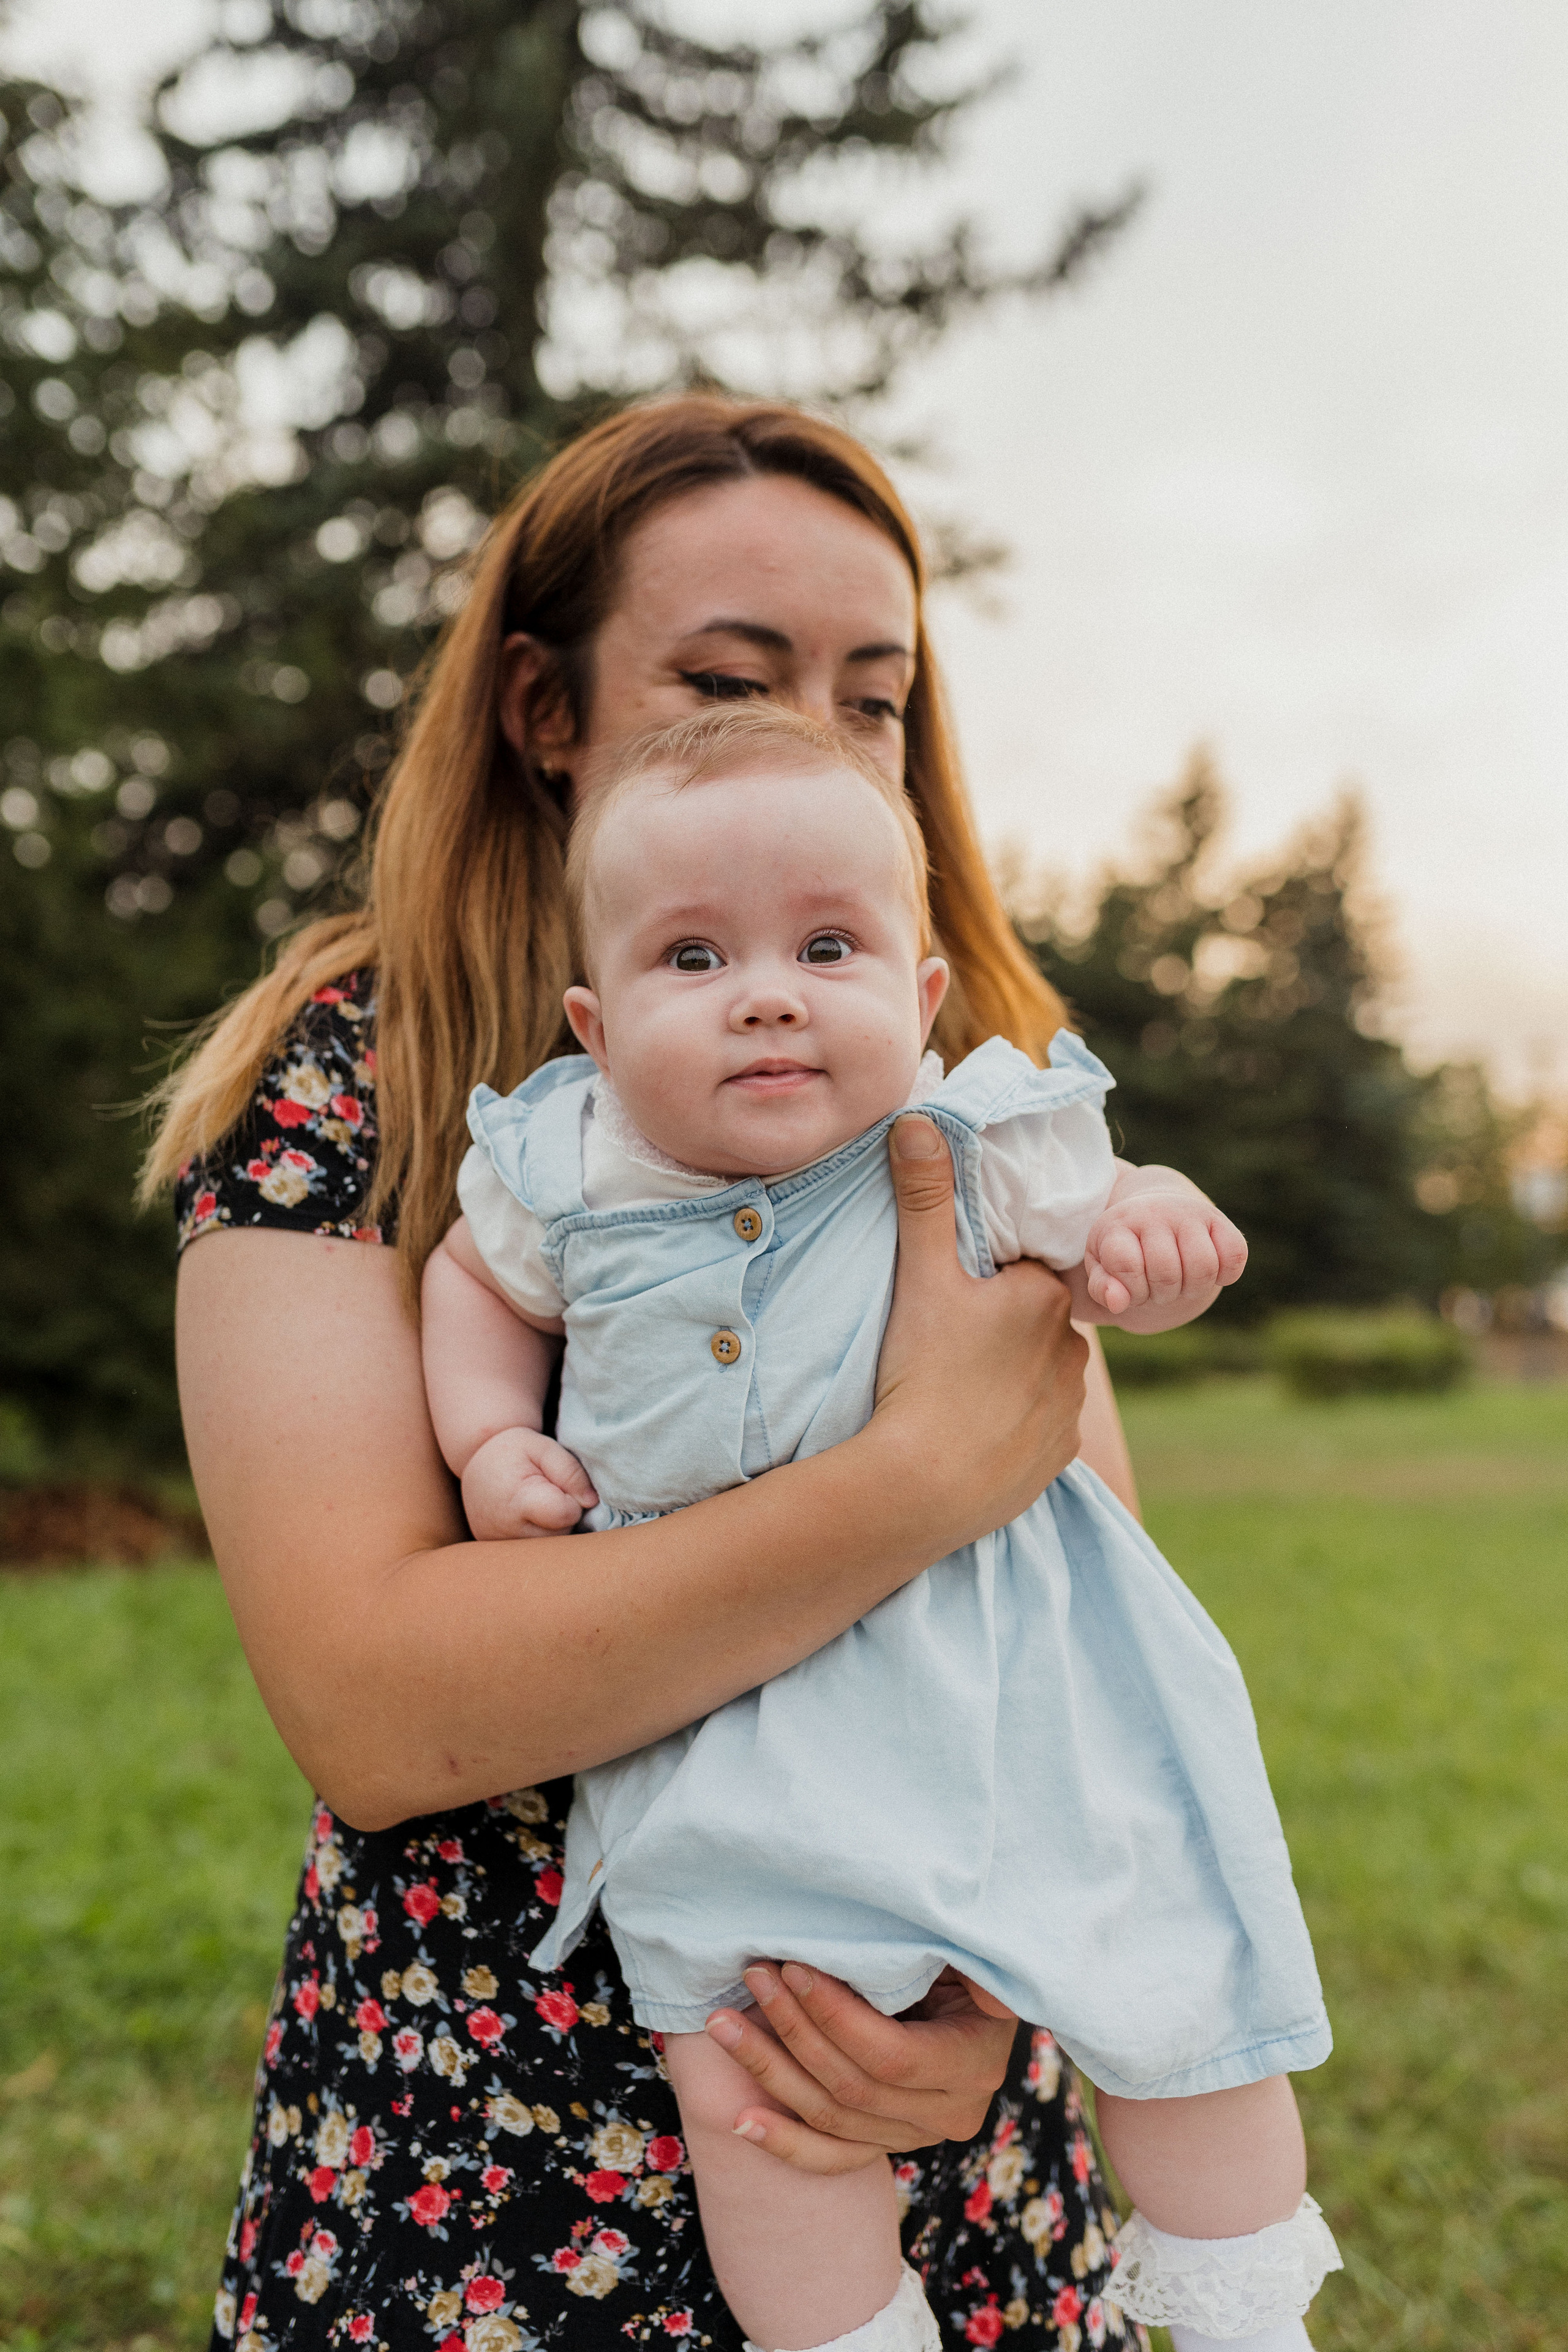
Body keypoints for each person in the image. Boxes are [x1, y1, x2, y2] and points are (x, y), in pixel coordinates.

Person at [151, 396, 1192, 2348]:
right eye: (730, 676)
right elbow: (375, 1706)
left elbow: (1080, 1612)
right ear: (543, 708)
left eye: (873, 698)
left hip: (923, 2095)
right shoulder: (355, 1073)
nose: (812, 733)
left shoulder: (944, 1094)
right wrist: (905, 1485)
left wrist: (987, 2006)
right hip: (504, 2136)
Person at [419, 702, 1340, 2352]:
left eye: (826, 945)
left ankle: (1247, 2308)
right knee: (759, 2088)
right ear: (596, 1017)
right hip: (727, 1729)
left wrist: (1153, 1229)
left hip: (1013, 1697)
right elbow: (471, 1284)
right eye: (691, 960)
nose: (766, 990)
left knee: (1172, 1997)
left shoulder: (978, 1139)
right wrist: (491, 1437)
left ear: (919, 998)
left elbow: (1109, 1214)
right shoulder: (564, 1165)